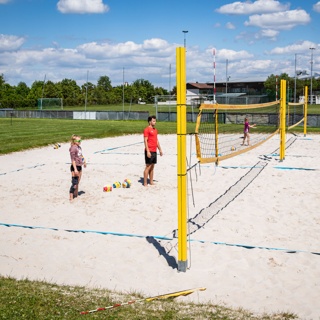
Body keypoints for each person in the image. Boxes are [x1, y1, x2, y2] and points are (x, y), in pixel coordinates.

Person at [143, 115, 163, 186]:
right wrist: (147, 151)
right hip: (149, 150)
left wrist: (160, 149)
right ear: (149, 122)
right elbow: (145, 141)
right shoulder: (146, 130)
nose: (155, 122)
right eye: (154, 121)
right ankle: (145, 183)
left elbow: (156, 141)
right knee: (148, 166)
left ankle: (151, 182)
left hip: (154, 150)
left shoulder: (155, 130)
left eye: (155, 121)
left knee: (152, 167)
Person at [69, 134, 86, 201]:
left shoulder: (79, 147)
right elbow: (72, 159)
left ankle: (76, 194)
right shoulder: (73, 148)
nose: (80, 141)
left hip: (79, 166)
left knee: (78, 181)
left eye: (80, 140)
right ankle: (71, 196)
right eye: (78, 140)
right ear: (74, 141)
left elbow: (81, 155)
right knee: (74, 182)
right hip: (75, 167)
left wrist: (84, 161)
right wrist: (75, 169)